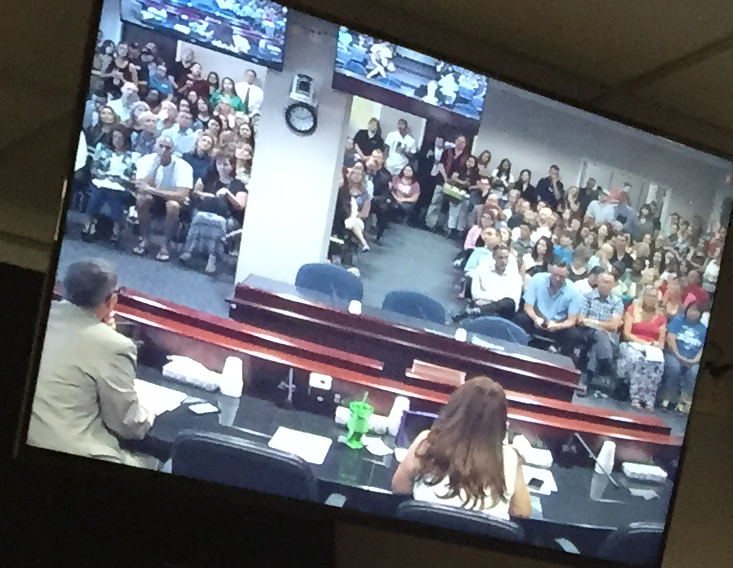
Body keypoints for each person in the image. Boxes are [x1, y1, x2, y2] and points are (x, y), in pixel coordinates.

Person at [27, 260, 158, 468]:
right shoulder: (115, 346)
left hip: (25, 438)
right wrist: (150, 411)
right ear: (111, 300)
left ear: (63, 288)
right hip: (76, 452)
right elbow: (128, 425)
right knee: (158, 463)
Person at [392, 376, 531, 520]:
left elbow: (399, 487)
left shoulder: (427, 442)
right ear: (501, 421)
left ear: (455, 407)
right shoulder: (510, 457)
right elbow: (522, 511)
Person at [180, 153, 247, 274]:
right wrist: (204, 195)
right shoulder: (208, 178)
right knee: (200, 217)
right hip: (205, 210)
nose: (222, 167)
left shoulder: (238, 185)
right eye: (219, 164)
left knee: (217, 222)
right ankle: (189, 251)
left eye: (225, 164)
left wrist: (228, 194)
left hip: (228, 216)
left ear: (232, 166)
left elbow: (241, 206)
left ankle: (212, 257)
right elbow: (195, 193)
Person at [133, 135, 194, 261]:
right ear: (155, 146)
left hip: (173, 200)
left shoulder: (183, 166)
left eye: (168, 148)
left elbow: (182, 195)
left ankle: (165, 245)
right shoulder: (145, 161)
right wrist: (155, 167)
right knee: (142, 199)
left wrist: (153, 190)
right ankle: (145, 239)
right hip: (154, 197)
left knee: (173, 206)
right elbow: (140, 187)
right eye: (161, 146)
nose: (164, 150)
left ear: (173, 150)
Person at [514, 259, 584, 361]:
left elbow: (571, 320)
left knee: (574, 334)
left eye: (561, 276)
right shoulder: (538, 279)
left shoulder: (574, 291)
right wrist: (535, 318)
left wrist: (557, 325)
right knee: (520, 318)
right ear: (550, 272)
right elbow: (528, 306)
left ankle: (560, 359)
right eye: (555, 275)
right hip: (537, 318)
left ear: (567, 275)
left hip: (557, 325)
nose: (557, 278)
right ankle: (516, 351)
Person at [617, 286, 667, 409]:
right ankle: (635, 397)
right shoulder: (632, 310)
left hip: (651, 348)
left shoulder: (661, 317)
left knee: (657, 363)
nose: (652, 298)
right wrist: (644, 343)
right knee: (638, 359)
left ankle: (649, 399)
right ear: (643, 296)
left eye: (654, 296)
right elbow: (627, 334)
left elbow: (661, 343)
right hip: (632, 344)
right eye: (649, 295)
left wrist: (653, 346)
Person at [577, 272, 624, 393]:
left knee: (596, 345)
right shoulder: (587, 297)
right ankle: (607, 362)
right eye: (603, 281)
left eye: (609, 283)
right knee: (599, 335)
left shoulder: (617, 302)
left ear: (613, 285)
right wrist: (602, 325)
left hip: (607, 338)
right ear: (597, 282)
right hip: (587, 333)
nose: (605, 285)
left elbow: (614, 326)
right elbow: (581, 320)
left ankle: (585, 382)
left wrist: (593, 322)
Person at [660, 302, 706, 413]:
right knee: (674, 368)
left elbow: (703, 348)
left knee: (695, 372)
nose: (693, 313)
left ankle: (683, 402)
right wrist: (679, 356)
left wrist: (694, 360)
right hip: (673, 355)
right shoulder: (678, 321)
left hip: (692, 360)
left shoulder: (703, 329)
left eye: (696, 311)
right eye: (691, 309)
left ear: (700, 313)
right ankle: (667, 398)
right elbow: (670, 339)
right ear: (686, 310)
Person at [455, 246, 522, 322]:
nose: (504, 261)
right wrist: (494, 301)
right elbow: (476, 293)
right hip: (482, 304)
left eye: (506, 258)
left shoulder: (515, 276)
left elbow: (514, 302)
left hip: (504, 311)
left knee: (508, 302)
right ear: (494, 257)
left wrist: (491, 302)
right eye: (500, 258)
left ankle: (476, 312)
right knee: (480, 303)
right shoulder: (482, 270)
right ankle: (480, 311)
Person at [338, 162, 371, 252]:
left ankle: (363, 243)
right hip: (341, 214)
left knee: (354, 222)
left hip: (357, 217)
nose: (356, 176)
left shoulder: (364, 195)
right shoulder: (343, 188)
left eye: (359, 174)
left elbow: (365, 213)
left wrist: (354, 214)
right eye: (354, 173)